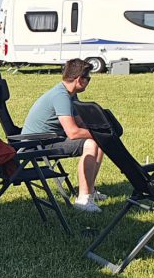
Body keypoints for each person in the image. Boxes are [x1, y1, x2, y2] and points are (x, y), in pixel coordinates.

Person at [21, 58, 106, 212]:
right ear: (79, 79)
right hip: (34, 145)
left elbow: (80, 123)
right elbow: (73, 132)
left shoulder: (70, 94)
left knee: (99, 143)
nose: (89, 82)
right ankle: (83, 200)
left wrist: (100, 131)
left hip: (47, 139)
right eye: (88, 78)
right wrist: (97, 134)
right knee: (91, 143)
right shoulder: (61, 96)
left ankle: (90, 190)